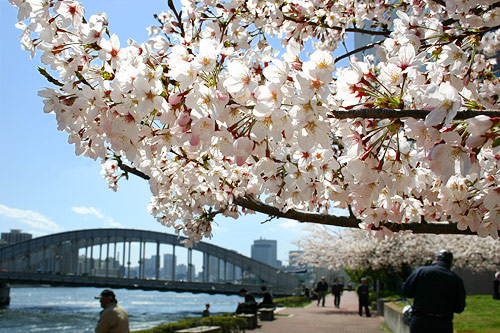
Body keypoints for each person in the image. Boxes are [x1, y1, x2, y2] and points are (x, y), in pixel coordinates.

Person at [402, 249, 466, 333]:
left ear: (436, 259)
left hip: (421, 320)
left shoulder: (421, 271)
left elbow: (406, 291)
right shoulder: (456, 279)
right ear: (450, 262)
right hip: (443, 323)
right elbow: (459, 308)